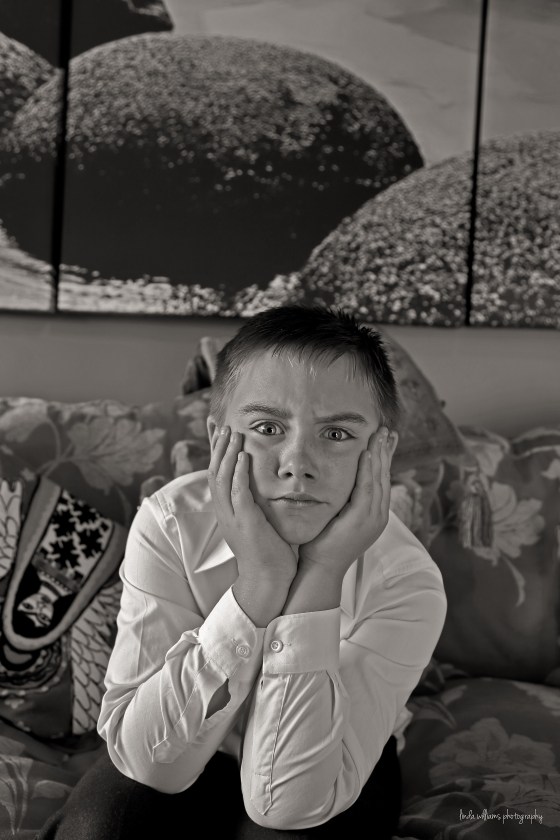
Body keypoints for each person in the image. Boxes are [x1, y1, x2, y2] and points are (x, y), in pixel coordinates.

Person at [37, 303, 447, 839]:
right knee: (100, 828)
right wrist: (258, 586)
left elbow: (285, 805)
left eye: (338, 434)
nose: (297, 462)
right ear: (218, 441)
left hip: (333, 747)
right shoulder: (170, 524)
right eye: (267, 427)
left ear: (381, 452)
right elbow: (148, 762)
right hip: (188, 736)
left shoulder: (406, 581)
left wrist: (320, 575)